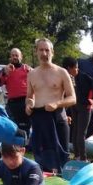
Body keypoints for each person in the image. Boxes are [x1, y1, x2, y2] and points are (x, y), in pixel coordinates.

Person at [25, 38, 74, 173]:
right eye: (41, 50)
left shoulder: (61, 72)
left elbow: (73, 98)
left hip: (58, 117)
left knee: (62, 157)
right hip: (39, 119)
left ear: (53, 52)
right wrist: (28, 105)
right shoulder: (32, 74)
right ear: (36, 52)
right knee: (42, 158)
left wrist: (57, 103)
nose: (44, 53)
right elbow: (29, 96)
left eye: (47, 50)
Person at [0, 47, 30, 132]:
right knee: (12, 128)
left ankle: (26, 144)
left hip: (25, 102)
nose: (15, 57)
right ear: (10, 57)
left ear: (21, 56)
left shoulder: (27, 69)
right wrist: (5, 73)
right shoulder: (6, 69)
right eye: (12, 55)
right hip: (12, 103)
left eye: (16, 55)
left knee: (25, 128)